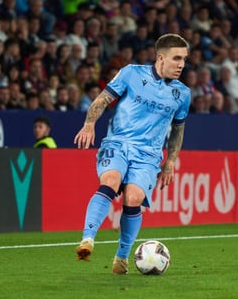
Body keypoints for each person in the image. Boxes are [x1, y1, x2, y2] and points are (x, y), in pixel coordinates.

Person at [73, 33, 191, 275]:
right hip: (118, 143)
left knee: (134, 198)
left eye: (184, 59)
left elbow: (178, 130)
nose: (181, 64)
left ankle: (122, 257)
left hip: (148, 155)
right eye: (176, 58)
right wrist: (89, 124)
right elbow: (103, 99)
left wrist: (170, 162)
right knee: (110, 181)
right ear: (161, 58)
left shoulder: (182, 94)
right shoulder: (131, 73)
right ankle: (87, 239)